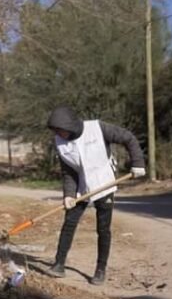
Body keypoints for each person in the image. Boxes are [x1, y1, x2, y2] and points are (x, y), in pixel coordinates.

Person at [46, 106, 146, 286]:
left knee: (103, 228)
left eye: (61, 130)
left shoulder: (98, 128)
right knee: (69, 223)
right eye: (56, 131)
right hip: (82, 187)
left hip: (104, 183)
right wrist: (68, 194)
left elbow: (128, 138)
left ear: (70, 125)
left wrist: (137, 162)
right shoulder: (59, 142)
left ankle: (100, 270)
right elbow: (68, 172)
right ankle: (59, 264)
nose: (59, 134)